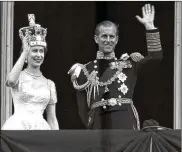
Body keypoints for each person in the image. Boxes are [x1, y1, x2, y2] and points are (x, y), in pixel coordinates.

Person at [68, 4, 162, 130]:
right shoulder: (84, 70)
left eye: (111, 36)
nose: (108, 40)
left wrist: (150, 27)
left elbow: (155, 58)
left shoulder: (129, 64)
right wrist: (92, 126)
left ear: (117, 39)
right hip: (99, 127)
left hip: (125, 124)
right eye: (104, 36)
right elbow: (83, 110)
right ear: (96, 39)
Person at [1, 14, 59, 130]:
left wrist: (57, 141)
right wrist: (24, 52)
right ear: (27, 54)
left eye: (41, 51)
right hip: (17, 127)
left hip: (41, 129)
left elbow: (52, 118)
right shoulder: (18, 76)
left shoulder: (49, 84)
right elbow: (11, 81)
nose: (38, 55)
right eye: (34, 51)